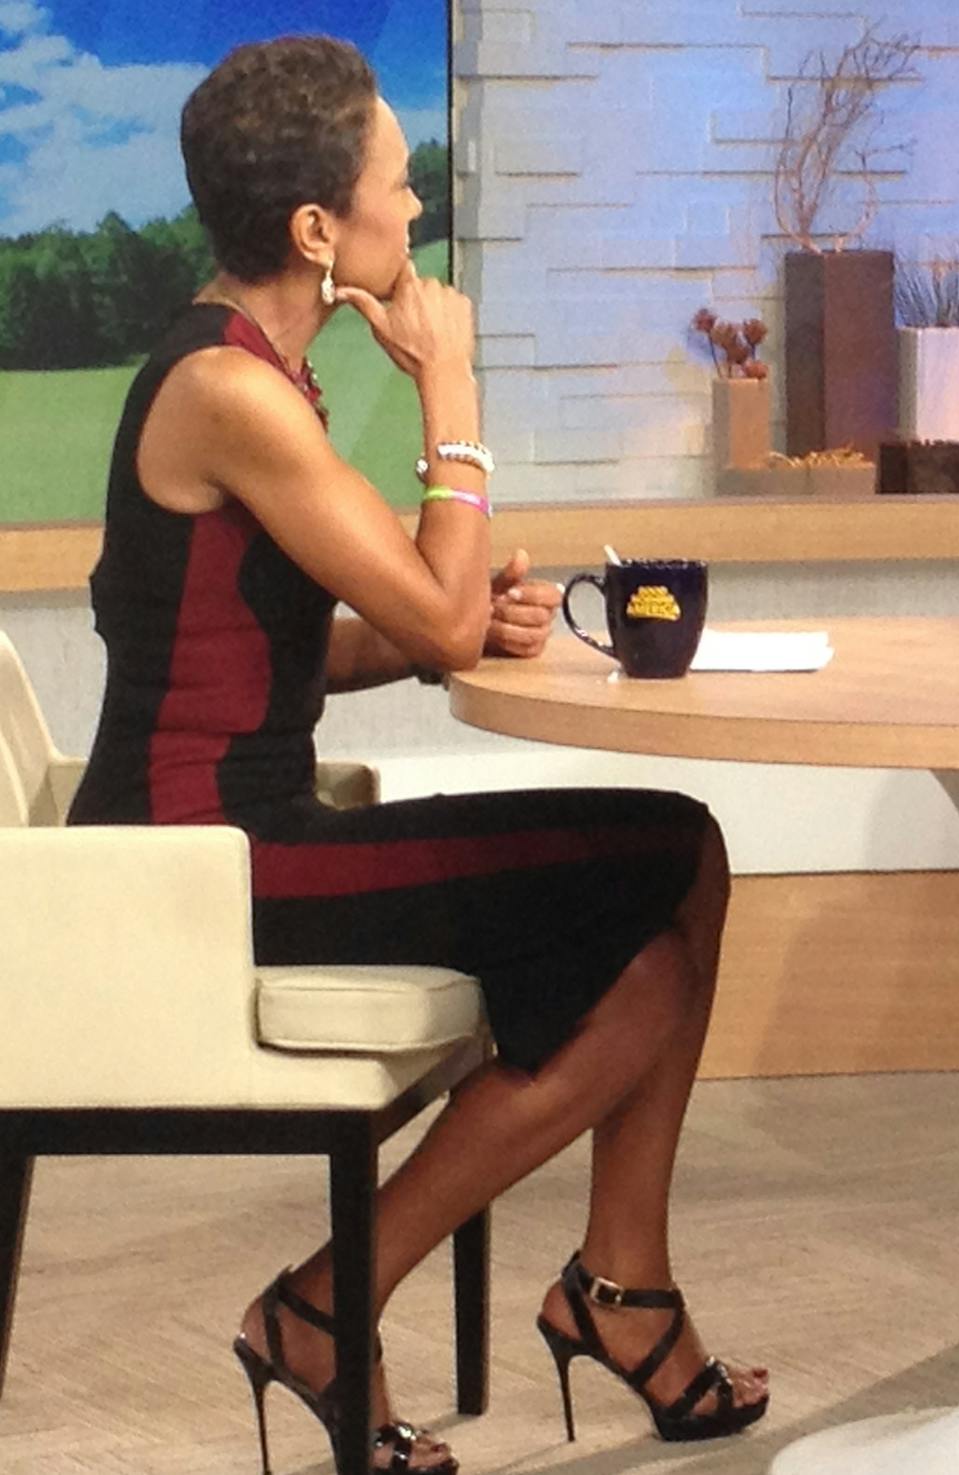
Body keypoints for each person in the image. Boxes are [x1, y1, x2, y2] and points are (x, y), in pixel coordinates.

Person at [66, 37, 769, 1473]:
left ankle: (609, 1283)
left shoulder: (248, 373)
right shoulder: (229, 392)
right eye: (401, 185)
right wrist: (453, 390)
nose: (419, 216)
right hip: (199, 864)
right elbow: (438, 607)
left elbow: (294, 640)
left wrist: (443, 625)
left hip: (226, 829)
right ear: (319, 229)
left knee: (665, 903)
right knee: (672, 858)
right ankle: (351, 1298)